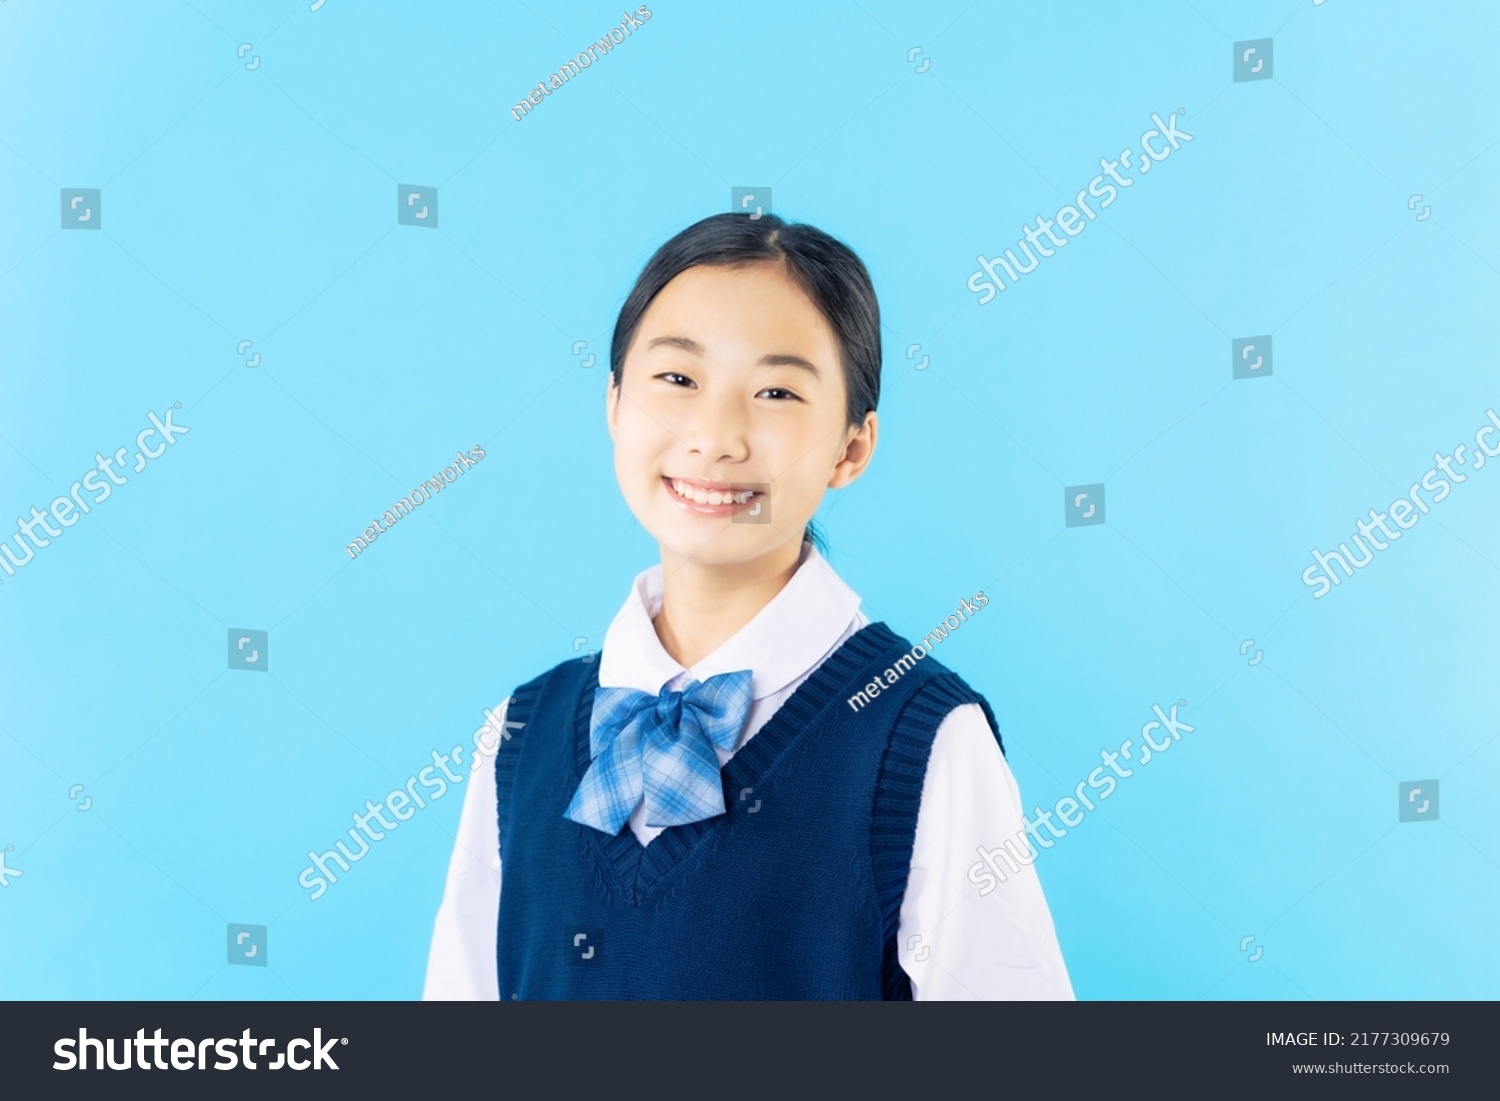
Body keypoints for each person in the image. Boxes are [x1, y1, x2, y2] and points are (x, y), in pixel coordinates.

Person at [424, 211, 1073, 1000]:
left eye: (775, 391)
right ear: (614, 403)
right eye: (677, 379)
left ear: (852, 446)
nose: (716, 435)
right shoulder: (518, 734)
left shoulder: (922, 736)